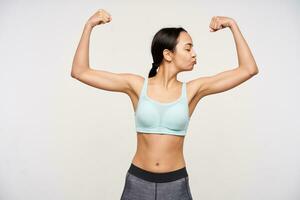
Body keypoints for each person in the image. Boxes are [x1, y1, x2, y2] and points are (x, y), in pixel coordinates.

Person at [71, 9, 259, 200]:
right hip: (138, 183)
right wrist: (89, 26)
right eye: (188, 48)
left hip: (175, 185)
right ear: (168, 54)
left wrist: (232, 25)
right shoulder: (136, 86)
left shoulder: (193, 90)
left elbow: (248, 69)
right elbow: (80, 72)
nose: (194, 54)